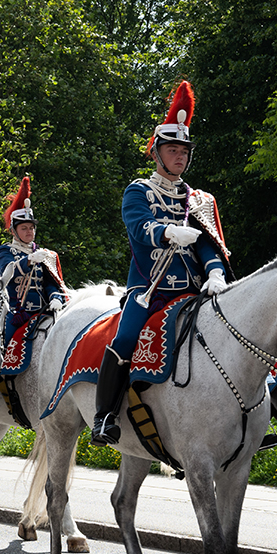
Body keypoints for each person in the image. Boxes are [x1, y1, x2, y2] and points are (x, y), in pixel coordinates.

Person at [92, 80, 231, 446]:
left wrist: (215, 271)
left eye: (184, 150)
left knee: (236, 332)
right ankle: (104, 416)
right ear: (157, 153)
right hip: (149, 289)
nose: (179, 156)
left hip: (193, 290)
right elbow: (139, 227)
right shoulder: (139, 190)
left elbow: (209, 245)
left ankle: (248, 416)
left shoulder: (199, 199)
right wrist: (168, 232)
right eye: (172, 149)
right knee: (124, 339)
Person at [0, 176, 67, 413]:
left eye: (32, 228)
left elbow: (51, 283)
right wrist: (26, 261)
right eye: (24, 228)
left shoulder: (46, 255)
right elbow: (9, 273)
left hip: (43, 312)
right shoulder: (6, 251)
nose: (29, 232)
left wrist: (55, 296)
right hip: (16, 312)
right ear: (14, 230)